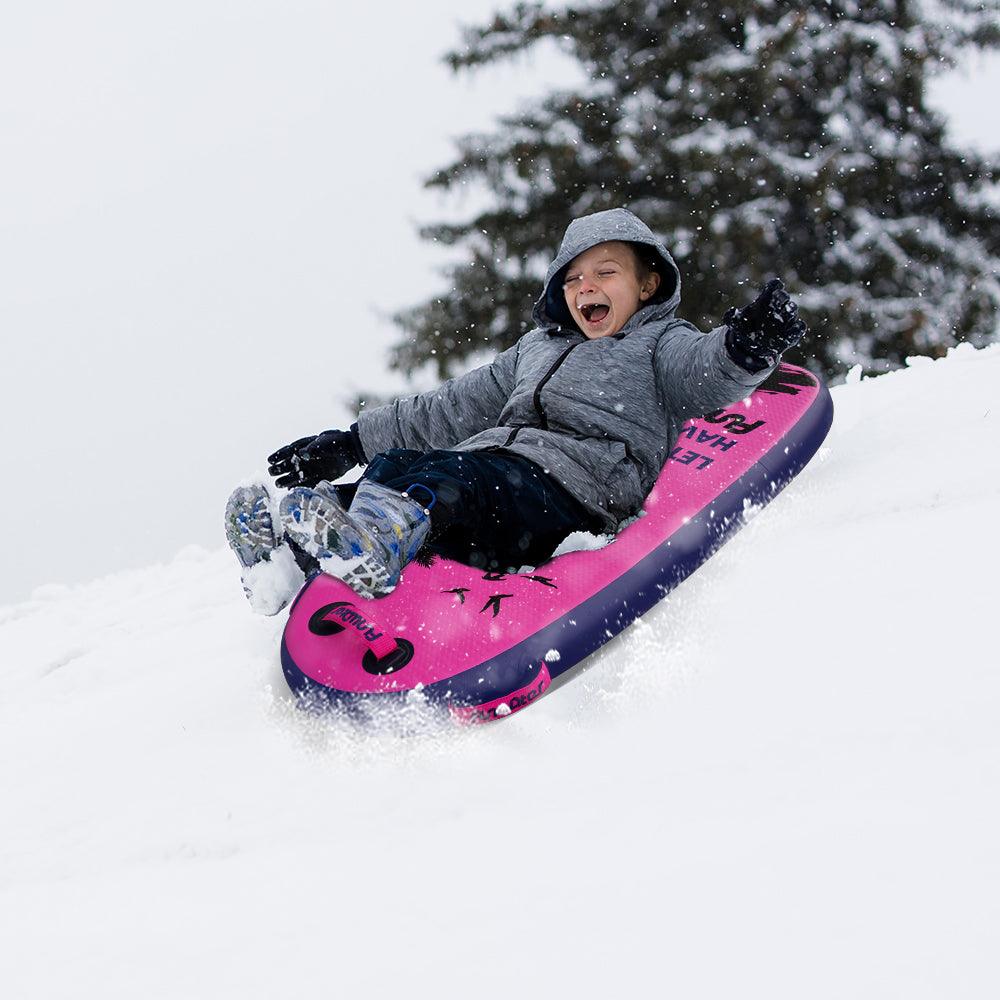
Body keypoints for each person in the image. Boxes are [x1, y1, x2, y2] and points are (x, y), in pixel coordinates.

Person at [225, 207, 806, 612]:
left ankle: (372, 542)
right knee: (402, 468)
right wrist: (353, 444)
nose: (587, 288)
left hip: (570, 492)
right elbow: (450, 407)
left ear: (648, 285)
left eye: (606, 273)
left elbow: (706, 374)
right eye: (574, 278)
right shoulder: (536, 348)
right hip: (497, 479)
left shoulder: (660, 343)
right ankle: (287, 558)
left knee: (449, 481)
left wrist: (746, 345)